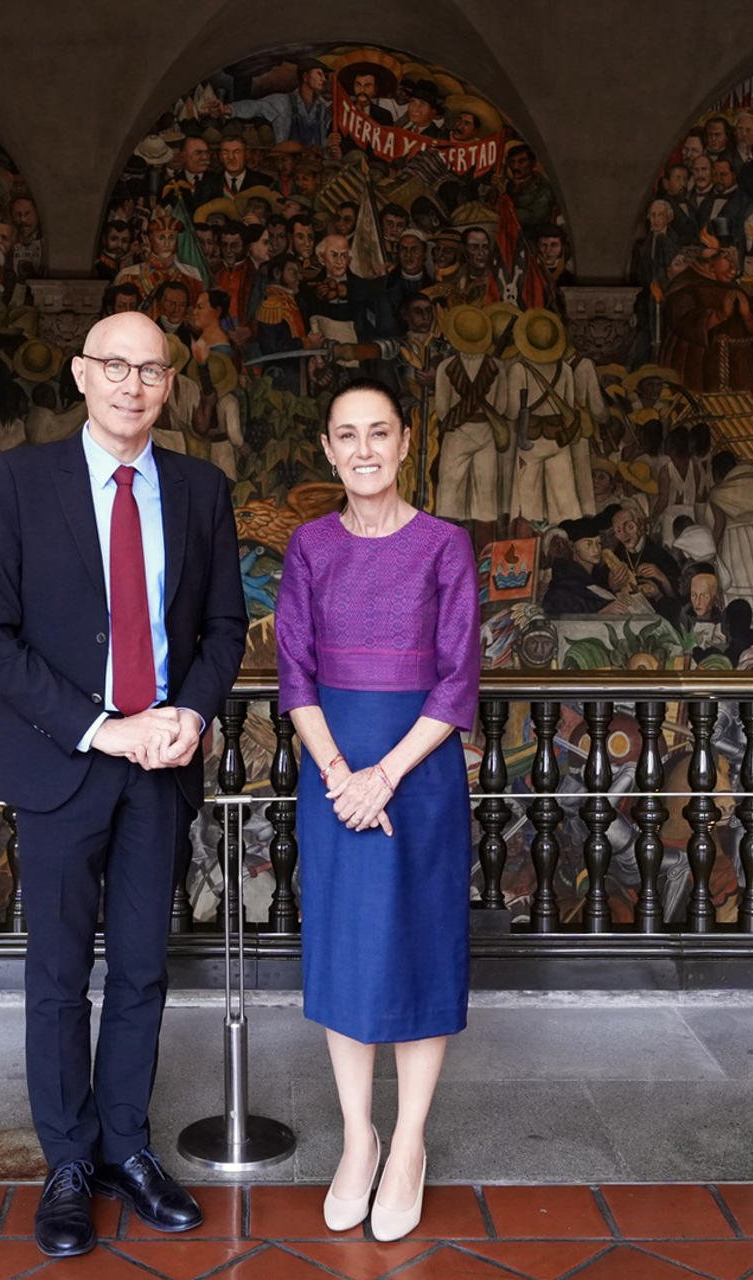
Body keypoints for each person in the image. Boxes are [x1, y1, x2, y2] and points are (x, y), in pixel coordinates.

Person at [0, 311, 246, 1259]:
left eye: (152, 370)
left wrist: (190, 717)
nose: (133, 384)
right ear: (83, 374)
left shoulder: (203, 489)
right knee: (57, 977)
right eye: (115, 366)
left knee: (140, 970)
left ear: (170, 386)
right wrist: (102, 727)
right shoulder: (19, 482)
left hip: (160, 771)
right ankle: (69, 1165)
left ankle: (128, 1148)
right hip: (64, 764)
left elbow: (224, 631)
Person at [273, 378, 480, 1245]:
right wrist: (339, 775)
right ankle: (357, 1139)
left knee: (420, 951)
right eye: (346, 435)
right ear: (328, 448)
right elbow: (294, 674)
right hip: (332, 774)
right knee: (348, 952)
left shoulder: (445, 546)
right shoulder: (310, 547)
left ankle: (408, 1144)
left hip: (417, 771)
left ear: (406, 445)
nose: (363, 449)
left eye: (379, 433)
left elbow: (459, 676)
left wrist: (382, 777)